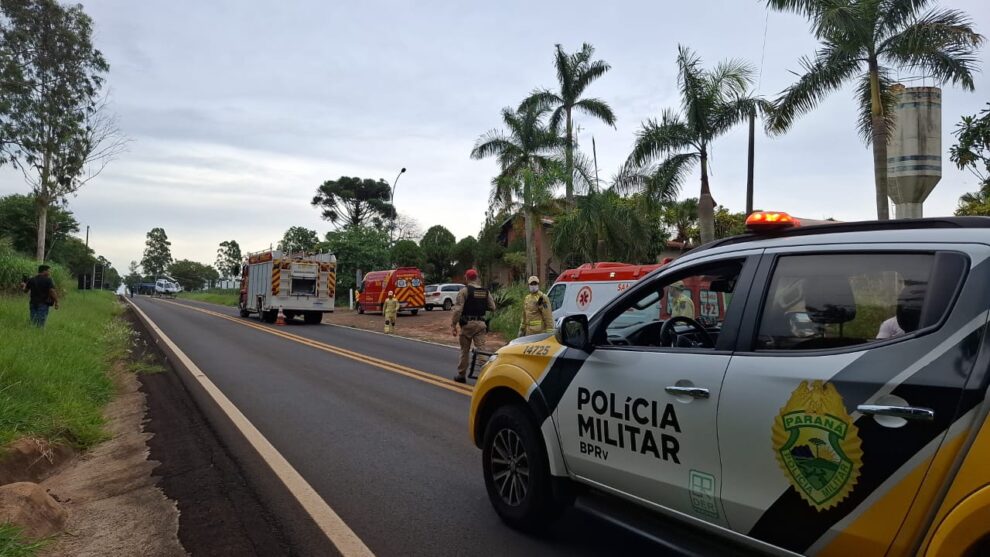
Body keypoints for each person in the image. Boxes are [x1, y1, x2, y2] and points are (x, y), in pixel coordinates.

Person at [451, 269, 496, 383]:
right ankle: (486, 376)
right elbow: (492, 307)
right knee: (481, 351)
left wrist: (453, 325)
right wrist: (480, 306)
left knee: (464, 351)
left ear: (466, 278)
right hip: (481, 324)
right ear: (476, 278)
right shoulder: (485, 291)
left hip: (467, 325)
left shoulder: (464, 291)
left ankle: (461, 375)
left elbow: (458, 310)